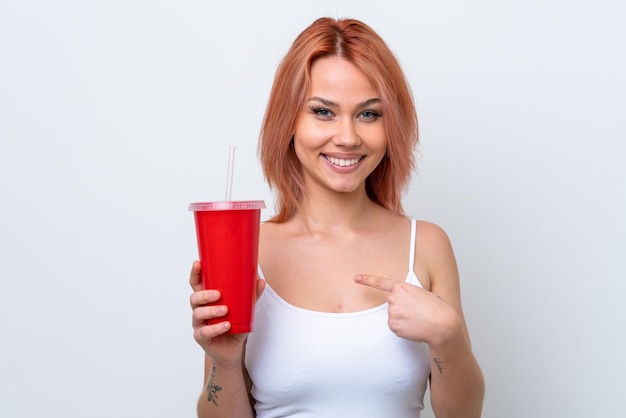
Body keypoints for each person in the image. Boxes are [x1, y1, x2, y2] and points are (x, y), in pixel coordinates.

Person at [189, 16, 485, 418]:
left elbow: (463, 415)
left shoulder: (428, 245)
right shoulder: (248, 251)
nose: (347, 137)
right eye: (323, 112)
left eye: (368, 114)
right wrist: (223, 362)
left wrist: (448, 341)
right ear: (289, 121)